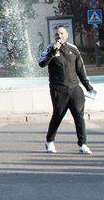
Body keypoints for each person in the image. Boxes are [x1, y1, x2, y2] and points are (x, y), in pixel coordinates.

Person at [38, 25, 95, 154]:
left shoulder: (73, 49)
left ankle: (83, 144)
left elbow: (80, 69)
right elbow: (41, 63)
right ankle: (49, 141)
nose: (60, 36)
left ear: (66, 35)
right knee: (58, 115)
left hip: (74, 88)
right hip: (58, 89)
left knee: (79, 116)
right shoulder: (49, 49)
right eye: (57, 34)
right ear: (54, 37)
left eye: (62, 34)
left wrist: (88, 87)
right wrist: (53, 51)